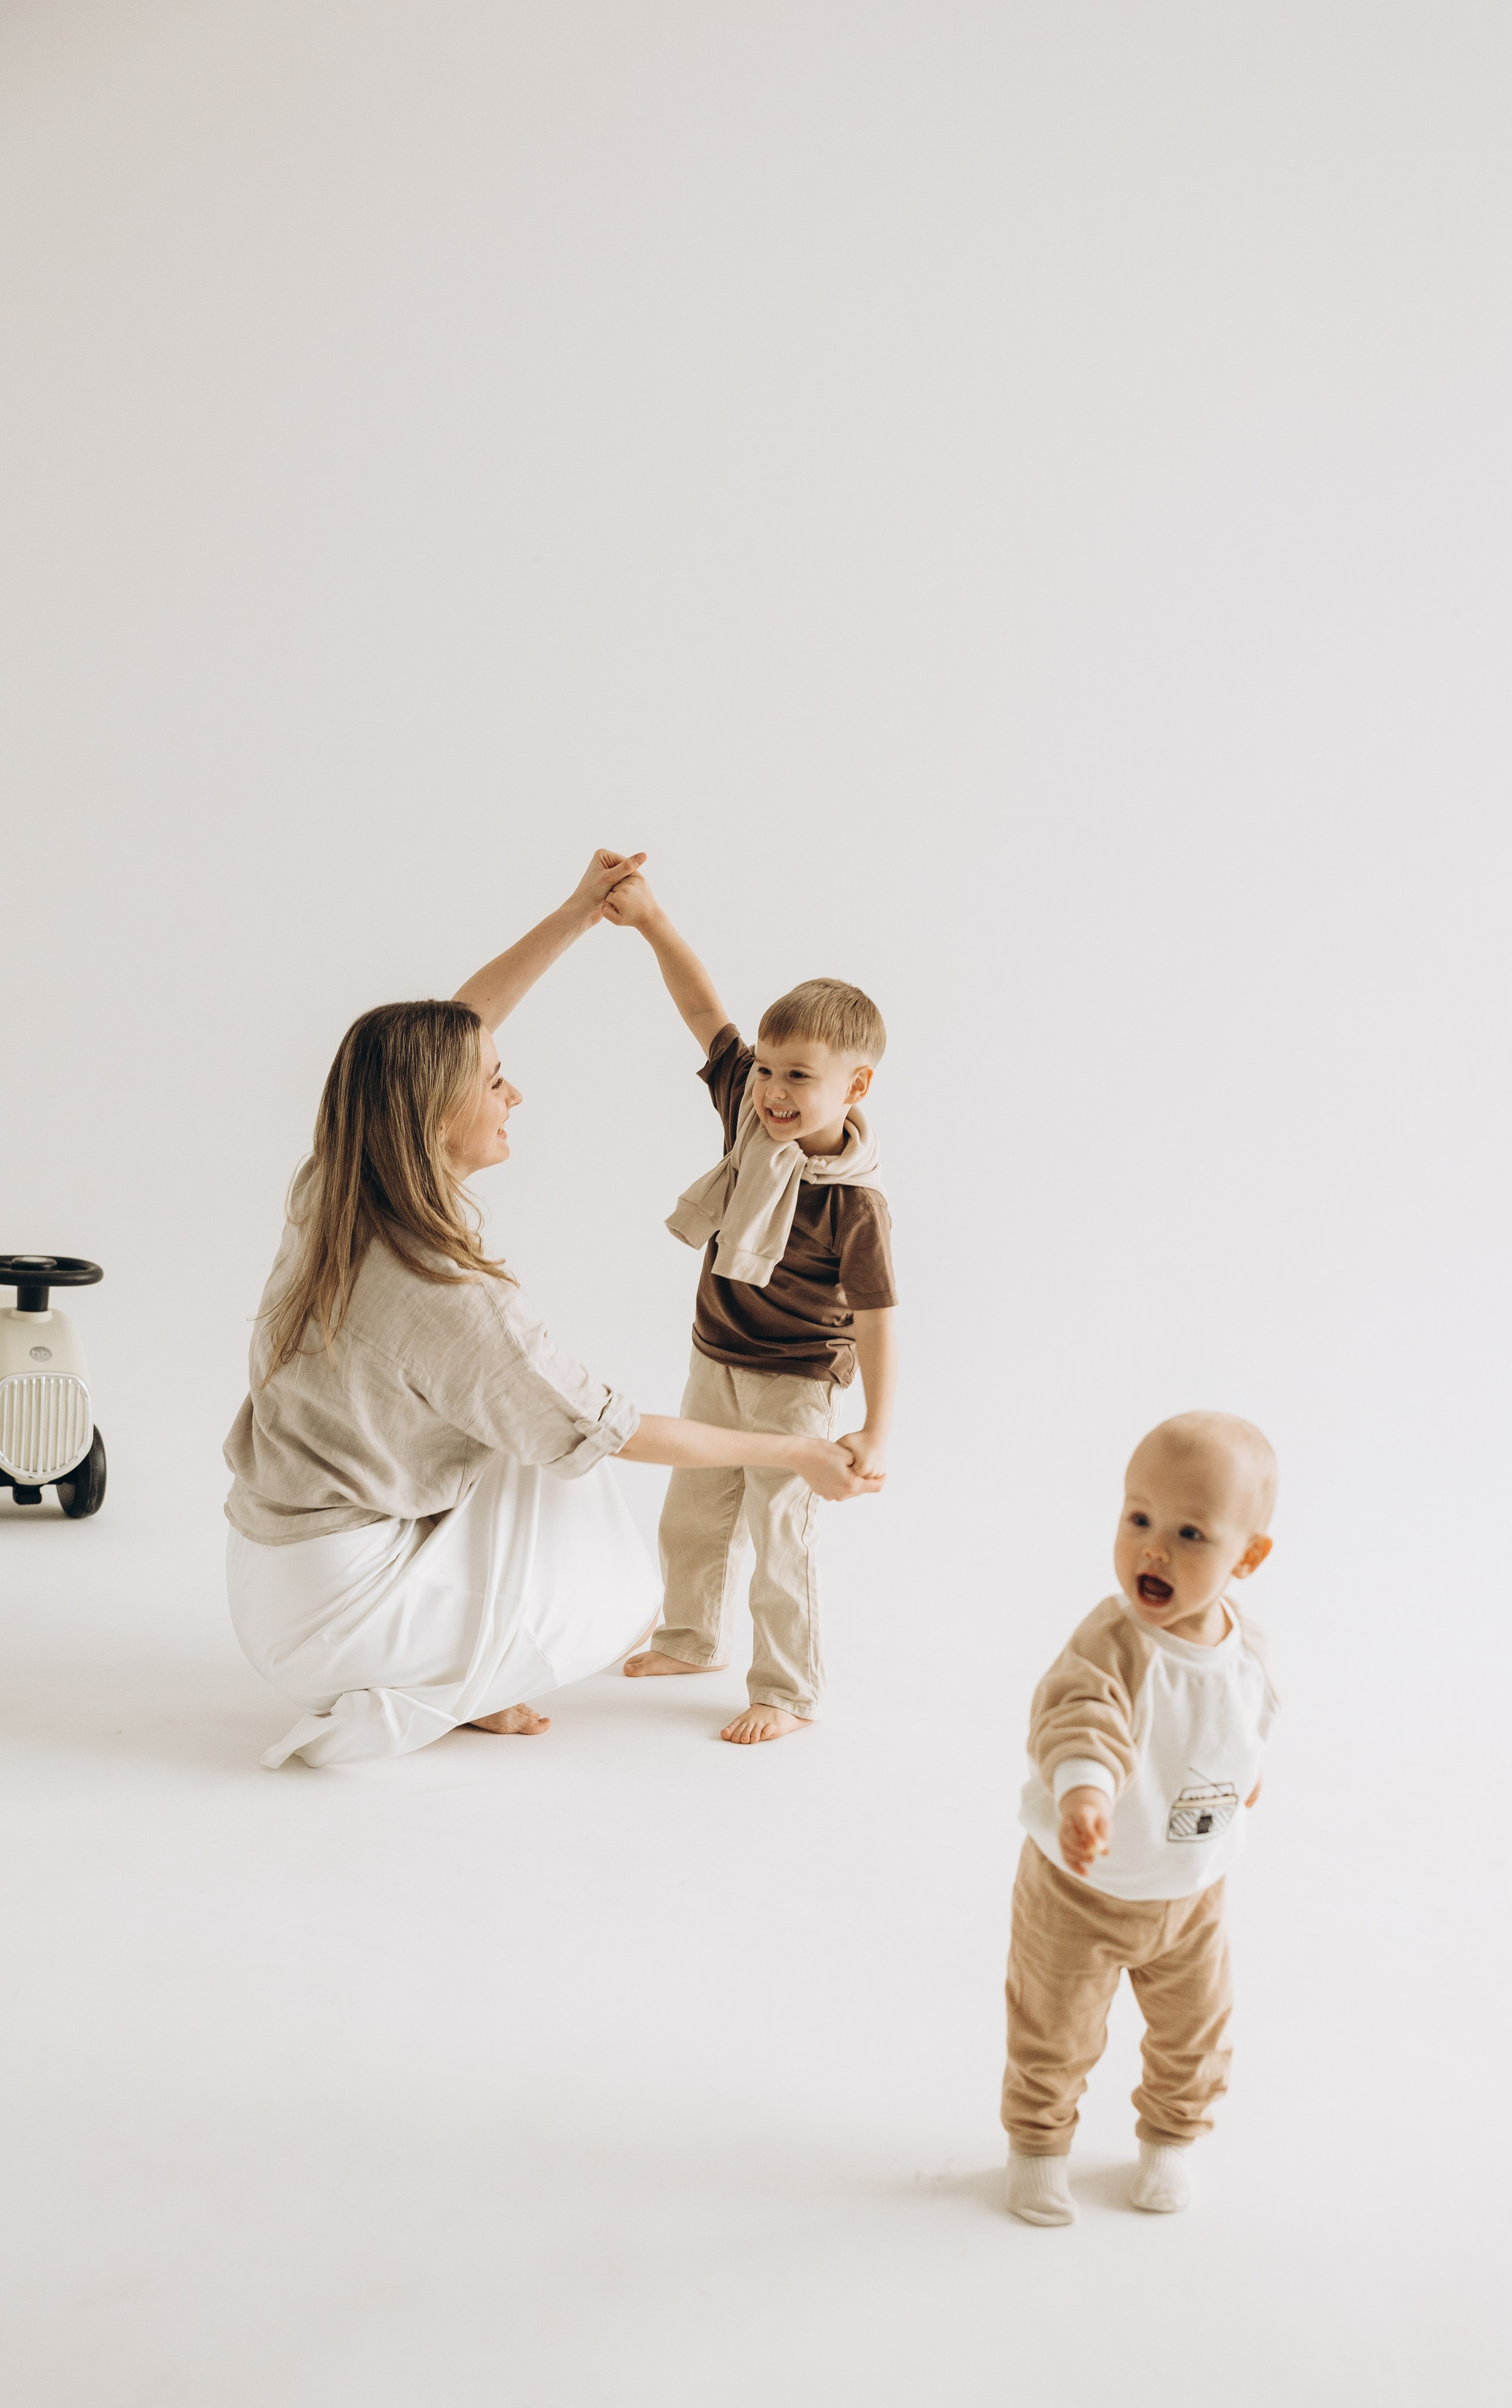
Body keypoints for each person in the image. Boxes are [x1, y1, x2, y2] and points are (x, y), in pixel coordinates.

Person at [223, 850, 881, 1771]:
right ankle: (445, 1678)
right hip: (341, 1616)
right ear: (433, 1109)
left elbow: (449, 1033)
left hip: (270, 1573)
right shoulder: (451, 1296)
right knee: (585, 1496)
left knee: (518, 1434)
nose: (513, 1091)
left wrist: (580, 913)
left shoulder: (336, 1183)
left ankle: (447, 1664)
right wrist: (800, 1452)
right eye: (495, 1080)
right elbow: (610, 1430)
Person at [600, 868, 896, 1744]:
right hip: (716, 1354)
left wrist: (875, 1426)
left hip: (795, 1383)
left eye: (799, 1076)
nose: (772, 1090)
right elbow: (702, 1011)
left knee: (780, 1533)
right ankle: (690, 1639)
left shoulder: (855, 1201)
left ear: (856, 1088)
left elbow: (879, 1318)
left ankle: (788, 1689)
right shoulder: (748, 1117)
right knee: (694, 1514)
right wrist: (652, 921)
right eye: (768, 1069)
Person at [1002, 1412, 1279, 2226]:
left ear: (1248, 1556)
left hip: (1192, 1895)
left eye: (1191, 1533)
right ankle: (1038, 2148)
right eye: (1138, 1519)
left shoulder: (1248, 1646)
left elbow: (1247, 1725)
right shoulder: (1115, 1641)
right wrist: (1084, 1792)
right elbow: (1081, 1714)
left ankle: (1170, 2140)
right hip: (1079, 1891)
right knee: (1055, 2032)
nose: (1152, 1549)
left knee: (1195, 2033)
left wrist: (1245, 1787)